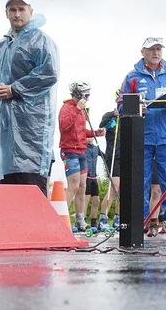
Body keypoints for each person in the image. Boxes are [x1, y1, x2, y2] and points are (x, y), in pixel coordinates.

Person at [0, 0, 59, 197]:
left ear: (30, 11)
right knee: (6, 187)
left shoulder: (41, 41)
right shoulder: (0, 47)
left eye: (21, 9)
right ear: (7, 13)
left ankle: (37, 230)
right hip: (6, 126)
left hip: (32, 127)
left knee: (31, 186)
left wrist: (14, 89)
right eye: (12, 10)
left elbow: (49, 73)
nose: (17, 14)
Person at [118, 37, 166, 239]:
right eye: (151, 49)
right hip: (142, 137)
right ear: (143, 52)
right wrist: (135, 108)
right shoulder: (132, 77)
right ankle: (138, 225)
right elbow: (121, 106)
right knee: (140, 183)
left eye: (159, 49)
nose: (156, 53)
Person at [59, 81, 103, 231]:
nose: (88, 98)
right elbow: (64, 126)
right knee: (74, 185)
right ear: (78, 94)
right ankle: (60, 217)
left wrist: (95, 132)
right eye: (86, 95)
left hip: (81, 150)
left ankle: (80, 219)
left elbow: (81, 130)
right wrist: (77, 109)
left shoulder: (82, 111)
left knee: (82, 186)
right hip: (69, 149)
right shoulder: (67, 108)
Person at [99, 102, 121, 231]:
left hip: (125, 155)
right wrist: (113, 114)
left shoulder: (128, 117)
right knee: (114, 187)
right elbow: (101, 124)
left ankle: (118, 218)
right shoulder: (110, 116)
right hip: (113, 156)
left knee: (123, 190)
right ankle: (103, 218)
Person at [84, 129, 102, 229]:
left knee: (96, 200)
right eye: (88, 137)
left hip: (94, 177)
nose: (89, 139)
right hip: (86, 176)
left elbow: (104, 156)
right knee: (86, 199)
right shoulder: (83, 148)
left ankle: (93, 221)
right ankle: (82, 219)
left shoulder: (96, 148)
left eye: (91, 137)